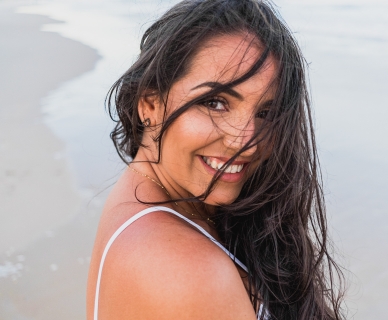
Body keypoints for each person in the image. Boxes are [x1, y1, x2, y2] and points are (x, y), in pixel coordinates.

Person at [87, 0, 345, 319]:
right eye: (216, 103)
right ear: (150, 104)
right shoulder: (188, 269)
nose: (246, 142)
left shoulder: (145, 199)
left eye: (265, 113)